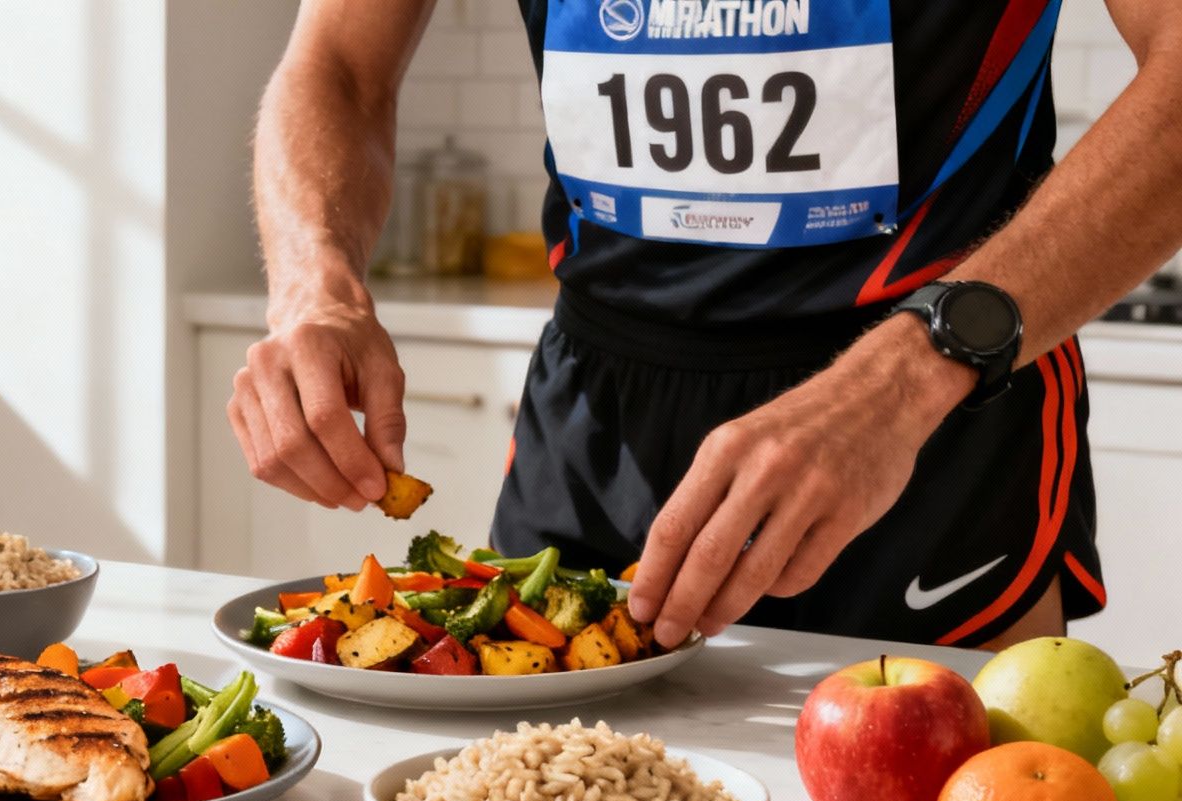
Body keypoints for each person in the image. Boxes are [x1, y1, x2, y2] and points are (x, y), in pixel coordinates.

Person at [232, 0, 1182, 649]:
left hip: (926, 415)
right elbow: (338, 66)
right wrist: (316, 285)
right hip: (593, 425)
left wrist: (904, 377)